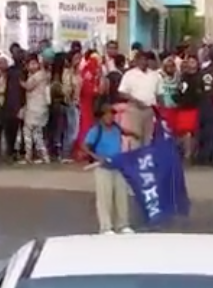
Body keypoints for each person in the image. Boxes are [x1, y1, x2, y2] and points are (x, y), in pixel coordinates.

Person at [82, 104, 137, 235]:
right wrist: (97, 157)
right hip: (103, 167)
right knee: (104, 197)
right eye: (107, 114)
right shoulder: (96, 130)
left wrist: (135, 134)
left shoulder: (116, 128)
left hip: (118, 165)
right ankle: (106, 226)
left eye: (112, 114)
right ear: (101, 116)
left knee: (121, 196)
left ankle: (122, 224)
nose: (110, 117)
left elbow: (126, 132)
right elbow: (84, 146)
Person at [118, 51, 161, 148]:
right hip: (134, 110)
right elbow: (122, 93)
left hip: (149, 110)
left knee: (148, 137)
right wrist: (135, 100)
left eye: (145, 59)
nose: (143, 62)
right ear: (136, 61)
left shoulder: (155, 75)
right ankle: (136, 155)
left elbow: (159, 93)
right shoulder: (129, 75)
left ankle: (146, 155)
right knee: (135, 136)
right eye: (141, 59)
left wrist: (159, 109)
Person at [20, 56, 51, 164]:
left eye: (34, 63)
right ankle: (44, 156)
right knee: (37, 133)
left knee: (28, 131)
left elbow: (28, 86)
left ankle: (29, 156)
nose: (32, 66)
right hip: (40, 107)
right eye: (31, 64)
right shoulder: (44, 75)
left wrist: (20, 82)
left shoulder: (38, 76)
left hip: (34, 108)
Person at [61, 51, 82, 162]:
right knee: (72, 131)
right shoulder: (67, 73)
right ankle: (65, 154)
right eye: (76, 58)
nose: (78, 60)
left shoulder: (79, 73)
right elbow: (66, 89)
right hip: (71, 104)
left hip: (78, 103)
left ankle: (67, 153)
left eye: (79, 58)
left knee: (73, 130)